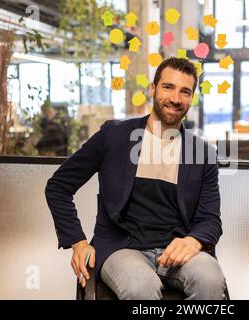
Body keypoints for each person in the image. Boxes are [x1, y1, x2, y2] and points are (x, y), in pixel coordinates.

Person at [45, 57, 226, 300]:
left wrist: (194, 240)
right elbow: (58, 187)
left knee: (211, 280)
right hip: (122, 248)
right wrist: (77, 241)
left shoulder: (202, 153)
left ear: (191, 98)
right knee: (141, 287)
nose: (175, 98)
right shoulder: (114, 136)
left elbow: (210, 219)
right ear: (153, 89)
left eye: (185, 91)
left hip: (176, 252)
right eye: (168, 87)